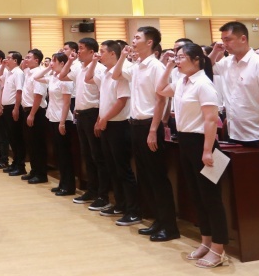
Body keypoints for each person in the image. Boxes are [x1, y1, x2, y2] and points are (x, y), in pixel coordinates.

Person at [158, 44, 229, 269]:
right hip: (186, 142)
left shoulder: (204, 84)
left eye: (181, 58)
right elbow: (160, 89)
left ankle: (219, 249)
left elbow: (211, 120)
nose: (177, 61)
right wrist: (168, 65)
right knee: (197, 196)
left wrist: (207, 151)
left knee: (212, 198)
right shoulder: (182, 81)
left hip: (204, 145)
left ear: (197, 59)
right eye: (176, 57)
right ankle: (205, 242)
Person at [114, 26, 178, 240]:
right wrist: (122, 56)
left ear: (149, 42)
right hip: (135, 125)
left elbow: (161, 99)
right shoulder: (137, 66)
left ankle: (169, 227)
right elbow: (116, 74)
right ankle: (157, 221)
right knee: (146, 177)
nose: (133, 40)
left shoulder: (156, 67)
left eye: (137, 37)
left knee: (157, 177)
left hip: (150, 125)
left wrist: (153, 130)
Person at [89, 39, 139, 219]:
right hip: (107, 124)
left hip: (119, 125)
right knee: (112, 167)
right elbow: (103, 98)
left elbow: (121, 101)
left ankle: (133, 210)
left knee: (123, 169)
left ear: (112, 54)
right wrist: (100, 119)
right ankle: (120, 204)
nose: (99, 54)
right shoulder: (106, 73)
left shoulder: (121, 73)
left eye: (102, 52)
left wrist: (105, 119)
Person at [210, 22, 259, 148]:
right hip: (233, 132)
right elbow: (206, 69)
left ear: (243, 39)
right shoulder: (227, 62)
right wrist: (215, 52)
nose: (225, 44)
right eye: (223, 40)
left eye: (228, 39)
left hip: (256, 134)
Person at [70, 37, 109, 207]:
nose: (78, 51)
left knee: (97, 156)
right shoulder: (80, 68)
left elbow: (103, 96)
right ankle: (92, 190)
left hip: (94, 114)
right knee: (87, 155)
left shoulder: (99, 69)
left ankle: (103, 195)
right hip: (81, 115)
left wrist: (99, 119)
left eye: (81, 48)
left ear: (92, 52)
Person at [46, 53, 76, 196]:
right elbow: (37, 77)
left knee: (65, 155)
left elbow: (66, 103)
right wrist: (48, 69)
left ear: (63, 64)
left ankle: (69, 186)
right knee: (58, 154)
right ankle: (62, 183)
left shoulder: (66, 80)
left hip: (62, 119)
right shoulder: (53, 77)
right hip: (52, 117)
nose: (51, 63)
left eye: (54, 61)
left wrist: (62, 122)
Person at [20, 48, 49, 184]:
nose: (25, 60)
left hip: (36, 112)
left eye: (28, 57)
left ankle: (41, 174)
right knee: (30, 143)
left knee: (38, 144)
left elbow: (38, 95)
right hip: (27, 110)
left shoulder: (38, 73)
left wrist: (32, 114)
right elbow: (22, 66)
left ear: (36, 60)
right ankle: (34, 170)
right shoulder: (29, 72)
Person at [1, 52, 27, 177]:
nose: (6, 60)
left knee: (17, 138)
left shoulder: (18, 73)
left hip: (13, 108)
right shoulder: (9, 73)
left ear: (15, 61)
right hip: (7, 108)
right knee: (11, 137)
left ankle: (20, 165)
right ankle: (15, 162)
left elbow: (19, 91)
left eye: (9, 58)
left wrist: (16, 108)